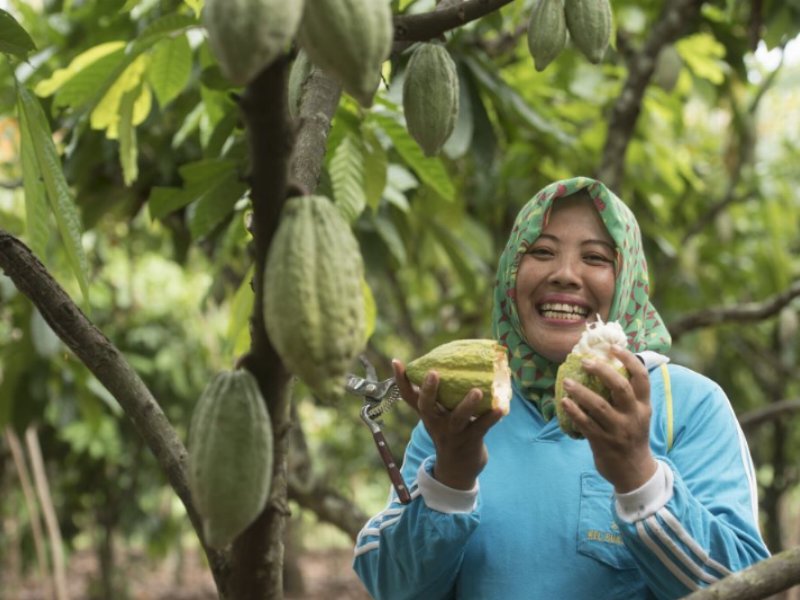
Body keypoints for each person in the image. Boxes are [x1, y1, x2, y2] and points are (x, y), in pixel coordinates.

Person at [352, 176, 770, 599]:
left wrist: (637, 474)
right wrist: (450, 481)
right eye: (542, 251)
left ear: (627, 280)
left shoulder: (689, 404)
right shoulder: (462, 414)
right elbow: (393, 589)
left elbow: (746, 587)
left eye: (595, 257)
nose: (565, 275)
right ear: (511, 275)